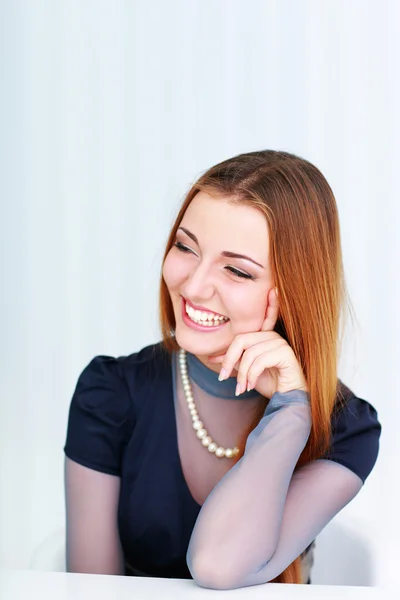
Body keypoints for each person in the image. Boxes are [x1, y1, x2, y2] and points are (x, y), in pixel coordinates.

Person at [63, 149, 381, 589]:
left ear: (295, 291)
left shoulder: (345, 428)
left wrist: (291, 411)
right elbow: (87, 593)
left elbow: (218, 563)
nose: (192, 286)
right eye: (185, 246)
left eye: (236, 270)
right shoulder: (110, 394)